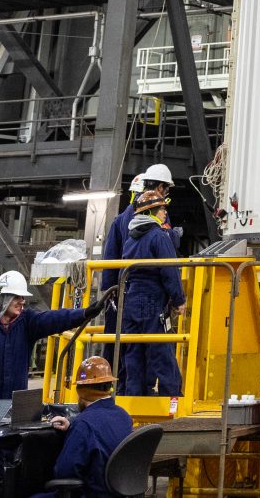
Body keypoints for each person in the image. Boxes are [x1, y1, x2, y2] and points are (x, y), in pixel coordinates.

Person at [0, 271, 110, 494]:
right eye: (17, 297)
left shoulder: (27, 323)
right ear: (2, 298)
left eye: (23, 297)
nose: (22, 301)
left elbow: (55, 319)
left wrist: (84, 313)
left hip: (14, 410)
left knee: (10, 470)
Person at [102, 167, 185, 398]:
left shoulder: (128, 229)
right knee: (161, 349)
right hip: (152, 300)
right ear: (160, 188)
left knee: (131, 351)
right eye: (163, 208)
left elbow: (112, 258)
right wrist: (178, 299)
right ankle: (172, 397)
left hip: (127, 298)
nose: (165, 212)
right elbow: (169, 268)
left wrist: (110, 291)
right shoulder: (158, 232)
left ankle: (131, 396)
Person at [35, 355, 136, 498]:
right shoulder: (124, 416)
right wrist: (72, 425)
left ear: (81, 391)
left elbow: (64, 472)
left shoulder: (83, 424)